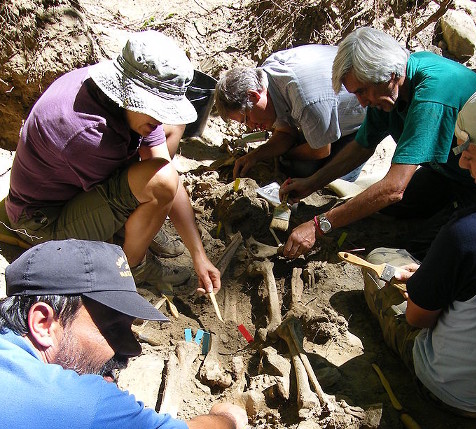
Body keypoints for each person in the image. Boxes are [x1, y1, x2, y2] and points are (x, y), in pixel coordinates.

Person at [362, 74, 476, 417]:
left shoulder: (470, 233)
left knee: (379, 260)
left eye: (470, 153)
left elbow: (417, 319)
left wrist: (424, 283)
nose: (461, 163)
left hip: (456, 393)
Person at [6, 30, 220, 294]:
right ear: (132, 93)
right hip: (40, 222)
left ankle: (145, 231)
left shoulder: (124, 100)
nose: (159, 116)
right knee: (155, 188)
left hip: (67, 188)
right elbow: (155, 185)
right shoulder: (91, 135)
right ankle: (132, 267)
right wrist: (141, 228)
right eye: (158, 108)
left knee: (172, 133)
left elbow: (163, 165)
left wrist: (198, 253)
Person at [280, 27, 476, 260]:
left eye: (362, 92)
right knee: (387, 210)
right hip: (446, 172)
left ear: (389, 74)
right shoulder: (388, 90)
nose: (361, 103)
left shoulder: (431, 95)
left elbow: (393, 188)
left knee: (419, 250)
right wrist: (312, 182)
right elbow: (361, 147)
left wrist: (319, 225)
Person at [0, 239, 248, 428]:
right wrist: (228, 415)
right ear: (43, 323)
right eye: (112, 328)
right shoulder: (79, 404)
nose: (133, 350)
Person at [214, 45, 367, 181]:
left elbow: (320, 151)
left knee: (325, 180)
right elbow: (286, 133)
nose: (251, 127)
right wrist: (256, 156)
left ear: (253, 95)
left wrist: (286, 155)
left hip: (366, 114)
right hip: (326, 110)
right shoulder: (268, 79)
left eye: (247, 118)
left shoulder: (305, 103)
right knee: (296, 165)